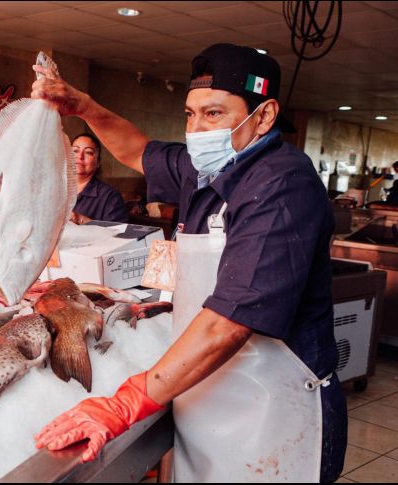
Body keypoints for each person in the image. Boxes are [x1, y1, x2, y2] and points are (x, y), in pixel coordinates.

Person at [31, 43, 346, 483]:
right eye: (190, 113)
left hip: (273, 409)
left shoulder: (282, 184)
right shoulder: (206, 169)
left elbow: (227, 324)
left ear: (265, 115)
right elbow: (135, 149)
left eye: (213, 114)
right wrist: (82, 106)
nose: (197, 128)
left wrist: (126, 402)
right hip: (205, 391)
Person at [70, 132, 129, 224]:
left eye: (88, 152)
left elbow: (118, 233)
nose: (80, 156)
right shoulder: (56, 190)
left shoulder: (110, 197)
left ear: (98, 162)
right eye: (75, 151)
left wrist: (82, 220)